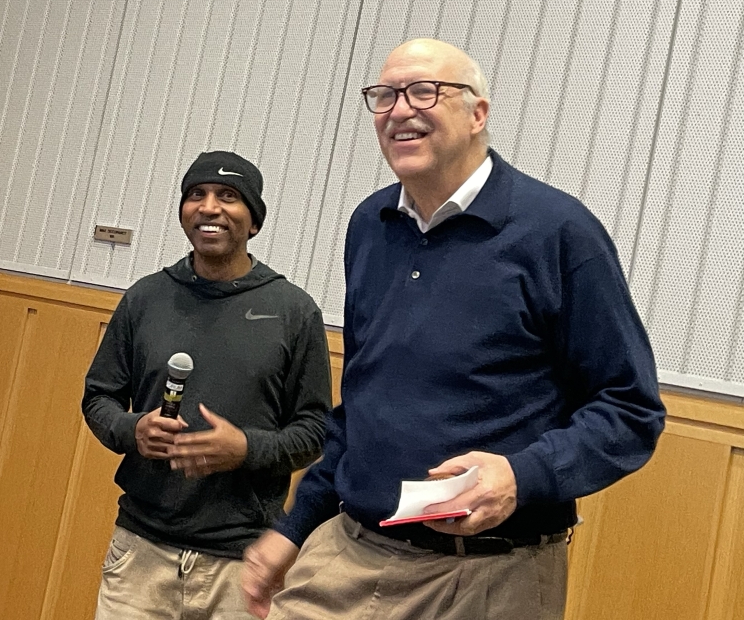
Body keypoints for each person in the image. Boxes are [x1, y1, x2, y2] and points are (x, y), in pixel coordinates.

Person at [242, 38, 666, 620]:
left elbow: (631, 410)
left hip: (491, 577)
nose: (398, 110)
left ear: (478, 113)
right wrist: (294, 529)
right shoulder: (371, 225)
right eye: (384, 96)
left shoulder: (559, 233)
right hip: (347, 554)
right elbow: (363, 401)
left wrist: (522, 475)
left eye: (424, 91)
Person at [82, 150, 332, 619]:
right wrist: (132, 429)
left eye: (229, 197)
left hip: (241, 562)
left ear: (253, 221)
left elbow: (316, 429)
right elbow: (99, 397)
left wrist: (247, 449)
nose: (210, 207)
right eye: (197, 194)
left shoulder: (294, 312)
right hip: (140, 551)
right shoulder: (144, 299)